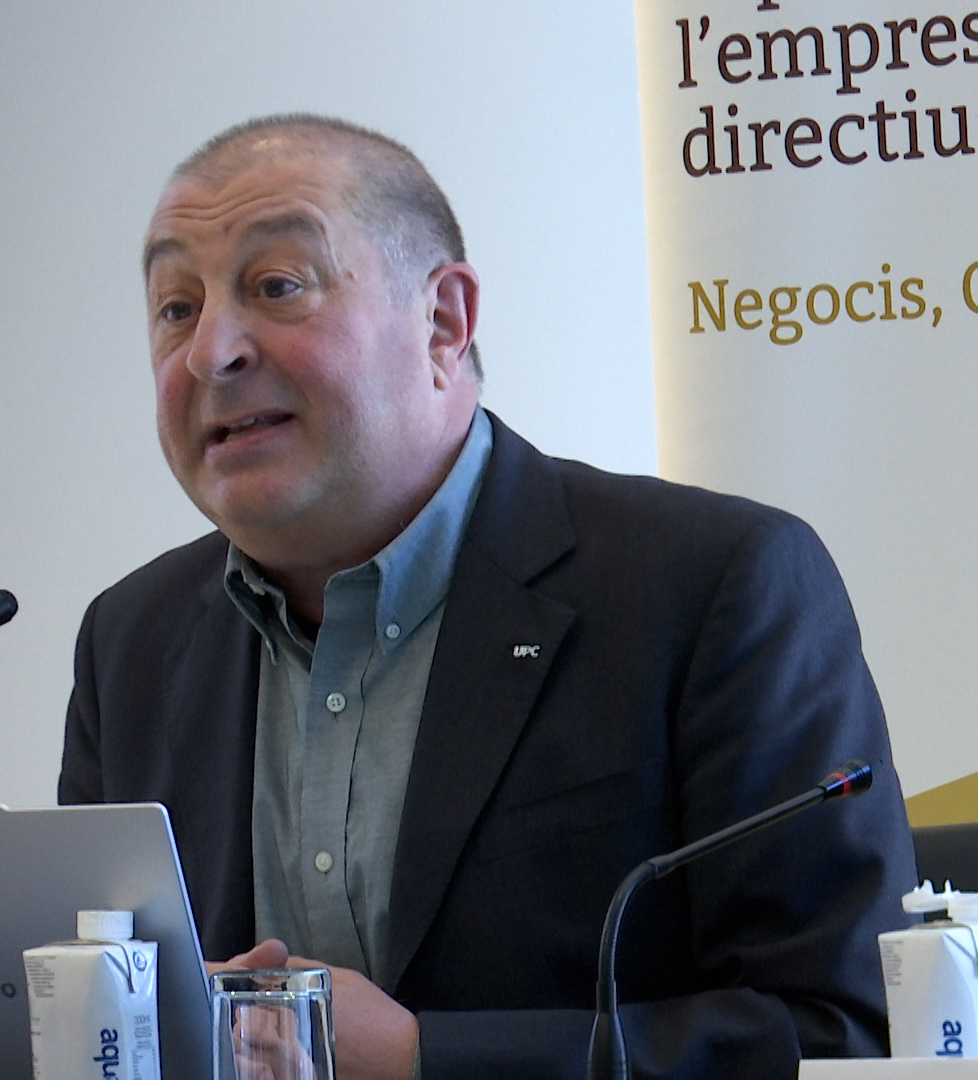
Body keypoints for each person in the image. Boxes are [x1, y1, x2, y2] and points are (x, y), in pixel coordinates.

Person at [59, 114, 917, 1079]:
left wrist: (427, 1058)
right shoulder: (130, 643)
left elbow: (841, 1033)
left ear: (443, 322)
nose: (210, 351)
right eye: (175, 308)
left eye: (278, 286)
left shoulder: (713, 583)